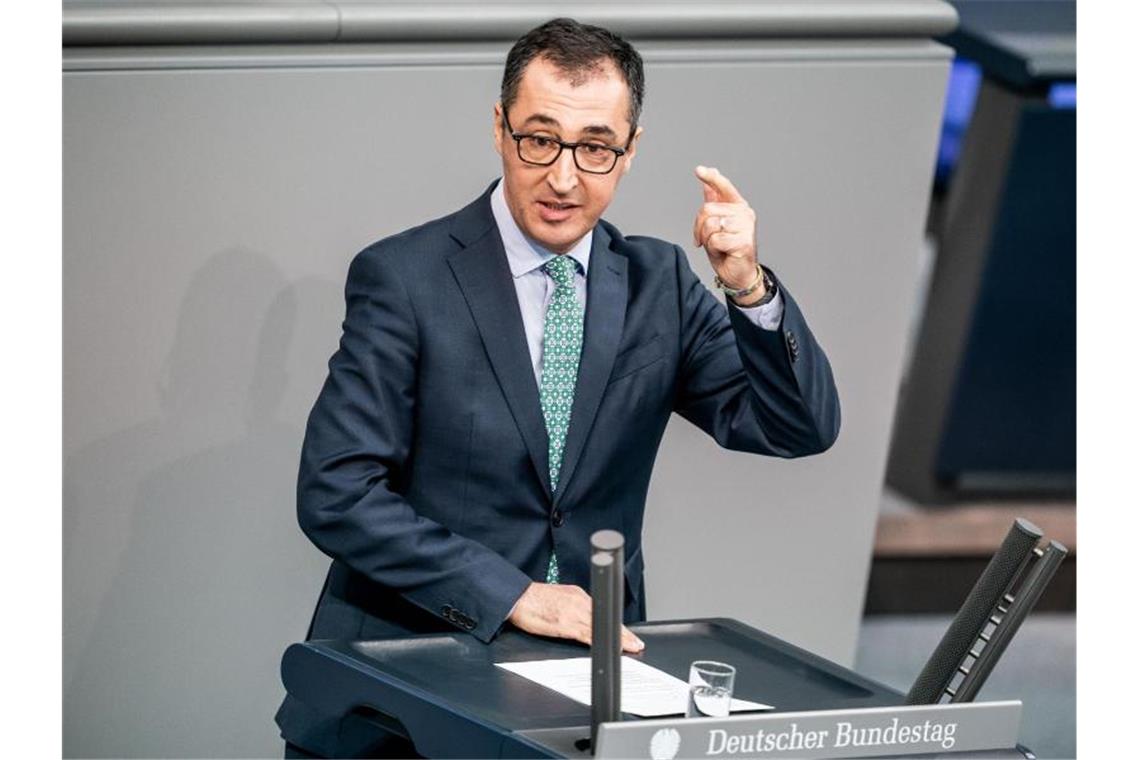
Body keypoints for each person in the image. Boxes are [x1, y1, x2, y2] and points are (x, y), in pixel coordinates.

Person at [276, 17, 839, 758]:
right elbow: (336, 491)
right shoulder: (406, 278)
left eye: (595, 147)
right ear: (500, 128)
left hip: (579, 696)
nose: (565, 177)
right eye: (539, 140)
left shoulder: (660, 285)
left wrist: (748, 288)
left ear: (630, 152)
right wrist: (513, 595)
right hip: (405, 691)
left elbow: (796, 428)